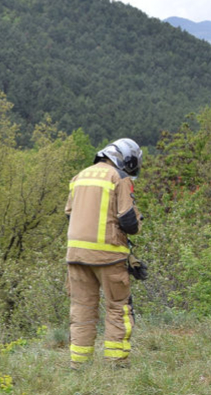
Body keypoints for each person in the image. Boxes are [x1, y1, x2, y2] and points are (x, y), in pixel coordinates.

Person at [65, 138, 142, 368]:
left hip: (76, 255)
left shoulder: (79, 176)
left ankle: (79, 364)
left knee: (81, 309)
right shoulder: (119, 178)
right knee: (118, 307)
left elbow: (69, 214)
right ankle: (116, 363)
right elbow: (129, 221)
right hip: (109, 257)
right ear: (125, 160)